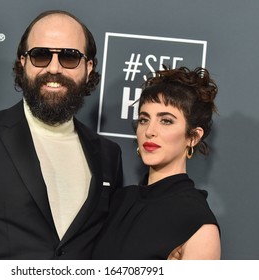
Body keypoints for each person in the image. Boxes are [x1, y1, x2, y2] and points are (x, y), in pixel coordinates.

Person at [0, 10, 123, 260]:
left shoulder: (108, 155)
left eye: (69, 57)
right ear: (22, 62)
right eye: (40, 55)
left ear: (88, 67)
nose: (54, 68)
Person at [92, 66, 221, 260]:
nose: (150, 131)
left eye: (166, 121)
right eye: (144, 120)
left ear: (193, 137)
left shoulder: (198, 224)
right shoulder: (119, 200)